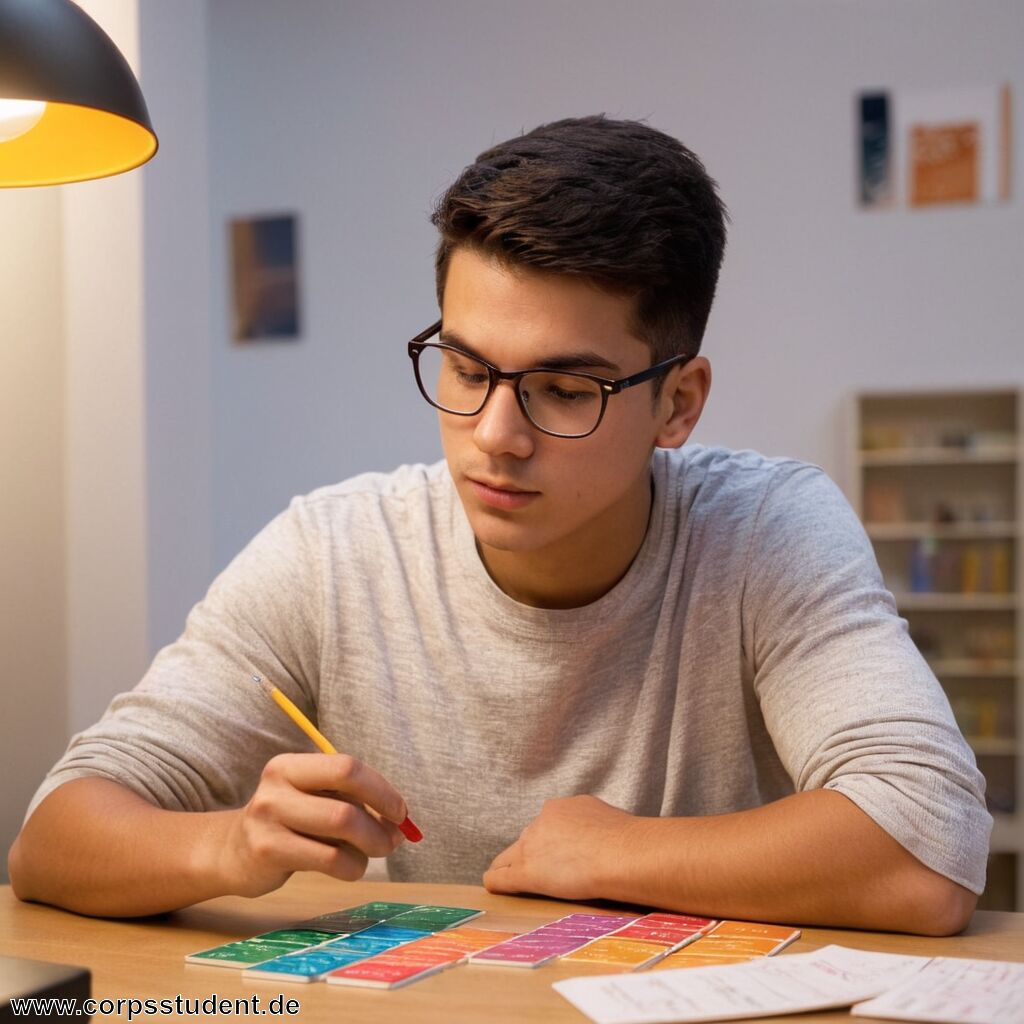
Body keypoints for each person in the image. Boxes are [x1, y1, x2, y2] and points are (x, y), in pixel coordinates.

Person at [9, 115, 989, 934]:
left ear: (678, 404)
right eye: (468, 369)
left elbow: (925, 845)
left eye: (564, 389)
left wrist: (616, 850)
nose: (494, 435)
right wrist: (225, 843)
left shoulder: (766, 528)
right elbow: (54, 835)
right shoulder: (335, 551)